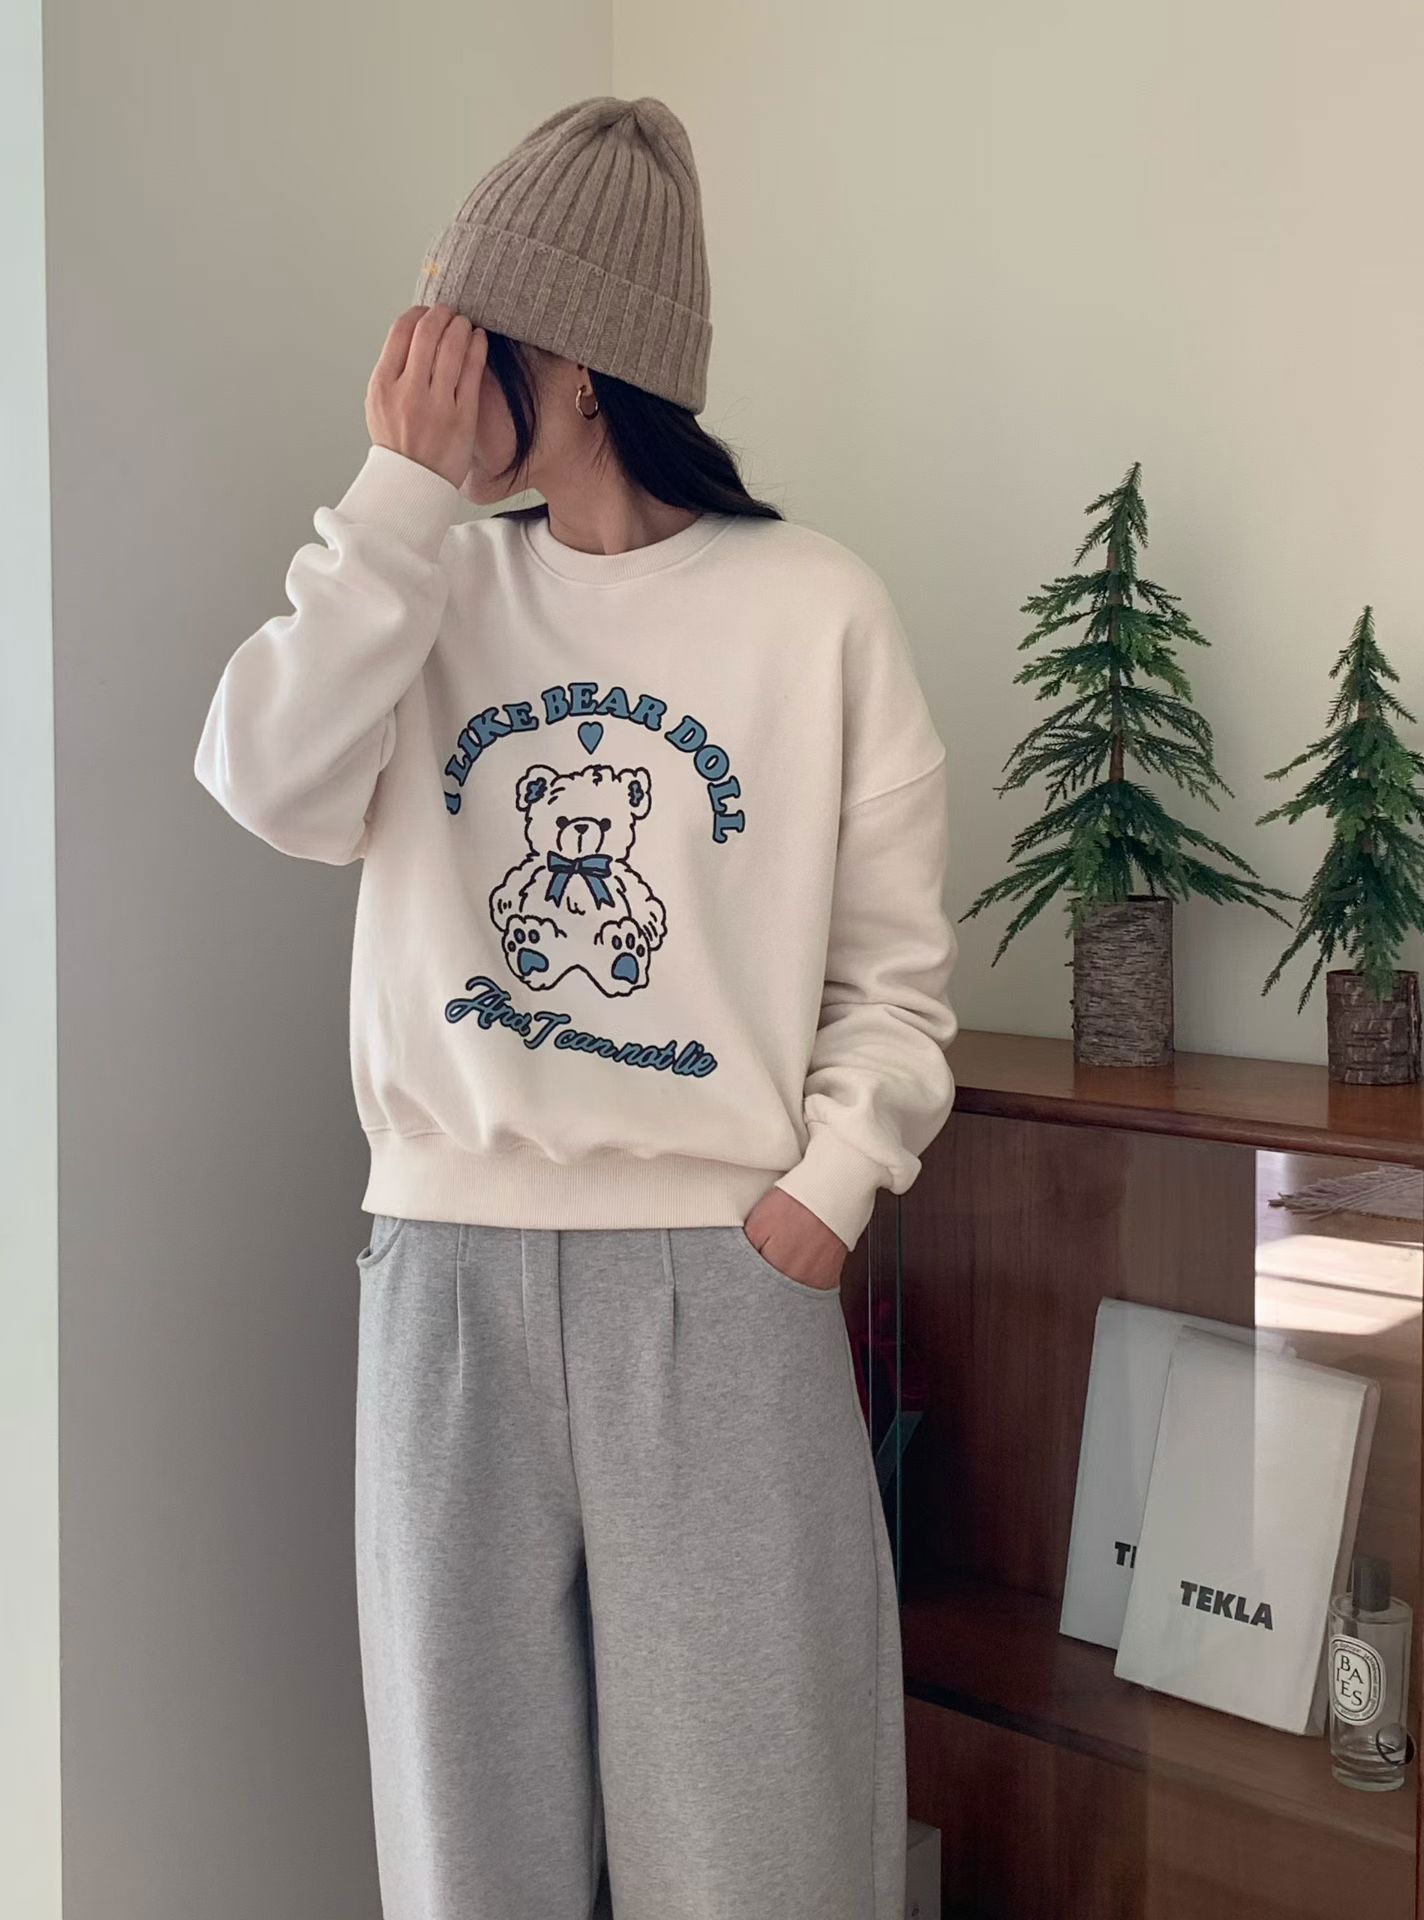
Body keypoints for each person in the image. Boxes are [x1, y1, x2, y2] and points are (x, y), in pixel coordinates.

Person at [194, 93, 957, 1920]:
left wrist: (821, 1194)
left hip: (724, 1278)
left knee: (764, 1850)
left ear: (585, 365)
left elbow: (896, 979)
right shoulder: (421, 583)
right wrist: (394, 501)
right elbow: (265, 783)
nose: (429, 370)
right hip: (445, 1280)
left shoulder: (815, 610)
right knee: (474, 1855)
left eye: (472, 335)